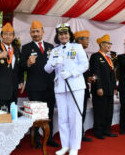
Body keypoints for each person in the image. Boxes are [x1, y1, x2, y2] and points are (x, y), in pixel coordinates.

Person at [44, 23, 88, 155]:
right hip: (60, 87)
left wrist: (72, 72)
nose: (63, 36)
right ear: (58, 36)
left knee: (74, 117)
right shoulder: (54, 50)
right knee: (63, 117)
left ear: (69, 35)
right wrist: (53, 63)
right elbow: (46, 69)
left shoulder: (77, 47)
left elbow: (85, 64)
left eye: (65, 33)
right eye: (61, 34)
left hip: (75, 86)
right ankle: (65, 146)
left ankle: (74, 147)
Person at [20, 20, 59, 148]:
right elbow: (20, 67)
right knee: (36, 115)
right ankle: (35, 139)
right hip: (35, 88)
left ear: (43, 31)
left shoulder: (50, 47)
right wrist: (28, 63)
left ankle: (49, 138)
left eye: (37, 31)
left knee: (49, 114)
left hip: (49, 87)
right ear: (30, 33)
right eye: (33, 32)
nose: (35, 34)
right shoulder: (26, 48)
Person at [89, 34, 117, 139]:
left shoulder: (108, 58)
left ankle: (107, 130)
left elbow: (112, 75)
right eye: (107, 43)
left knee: (109, 111)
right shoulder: (96, 56)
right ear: (101, 44)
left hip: (109, 89)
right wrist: (98, 87)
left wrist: (114, 87)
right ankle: (98, 131)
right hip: (100, 88)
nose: (109, 46)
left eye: (110, 44)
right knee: (100, 111)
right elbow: (95, 73)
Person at [74, 30, 92, 142]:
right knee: (76, 112)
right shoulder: (73, 52)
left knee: (83, 111)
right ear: (79, 40)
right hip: (76, 88)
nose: (88, 42)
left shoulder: (83, 52)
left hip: (84, 87)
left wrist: (88, 78)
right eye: (86, 39)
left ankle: (81, 133)